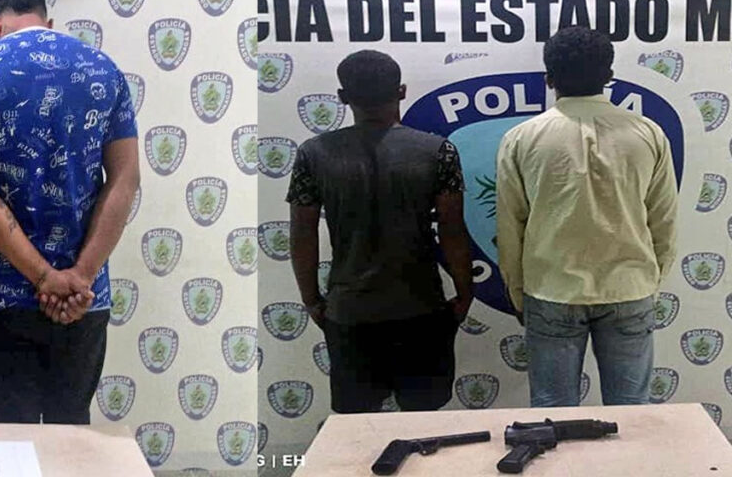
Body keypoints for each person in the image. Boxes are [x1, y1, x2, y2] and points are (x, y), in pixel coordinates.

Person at [0, 0, 140, 424]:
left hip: (8, 293)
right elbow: (125, 179)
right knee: (72, 431)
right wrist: (80, 276)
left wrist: (42, 278)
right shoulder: (102, 69)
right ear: (47, 21)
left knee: (15, 439)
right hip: (84, 296)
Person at [496, 26, 678, 407]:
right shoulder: (649, 134)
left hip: (551, 291)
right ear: (609, 75)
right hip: (629, 289)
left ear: (549, 78)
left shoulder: (521, 139)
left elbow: (510, 227)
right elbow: (663, 221)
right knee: (632, 414)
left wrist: (518, 293)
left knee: (552, 413)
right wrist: (649, 281)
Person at [286, 50, 473, 413]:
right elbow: (452, 231)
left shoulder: (314, 154)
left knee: (358, 427)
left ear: (343, 97)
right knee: (424, 425)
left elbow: (302, 235)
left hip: (349, 312)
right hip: (422, 309)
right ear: (401, 91)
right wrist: (465, 293)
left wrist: (311, 300)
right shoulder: (439, 151)